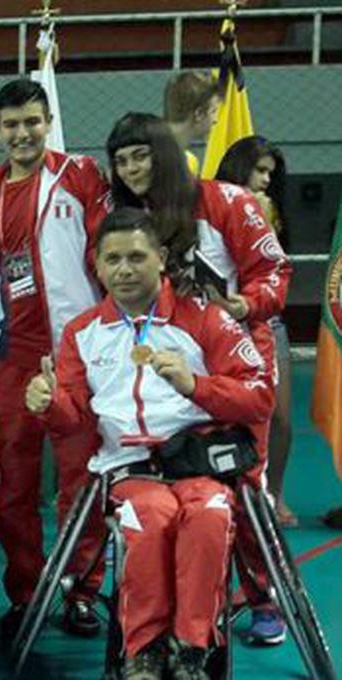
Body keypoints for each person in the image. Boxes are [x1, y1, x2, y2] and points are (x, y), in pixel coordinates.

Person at [25, 208, 273, 680]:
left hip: (202, 464)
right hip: (130, 467)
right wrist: (48, 402)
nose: (124, 269)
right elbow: (73, 416)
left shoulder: (205, 319)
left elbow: (258, 397)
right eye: (112, 259)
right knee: (151, 518)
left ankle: (192, 648)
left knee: (210, 515)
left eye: (136, 257)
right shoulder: (82, 332)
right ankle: (144, 650)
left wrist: (195, 386)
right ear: (95, 266)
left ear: (160, 258)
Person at [107, 113, 292, 646]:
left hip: (234, 358)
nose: (131, 168)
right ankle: (169, 604)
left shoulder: (226, 201)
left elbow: (274, 271)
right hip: (160, 367)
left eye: (141, 154)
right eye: (121, 160)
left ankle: (263, 597)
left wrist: (242, 303)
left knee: (244, 482)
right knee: (169, 481)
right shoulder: (126, 217)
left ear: (164, 153)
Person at [0, 78, 108, 635]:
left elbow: (104, 255)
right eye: (12, 125)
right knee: (15, 486)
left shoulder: (81, 177)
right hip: (11, 360)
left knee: (79, 477)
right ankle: (25, 592)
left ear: (47, 122)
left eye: (32, 122)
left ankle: (82, 589)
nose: (22, 133)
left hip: (78, 354)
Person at [216, 136, 295, 527]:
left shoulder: (269, 208)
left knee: (280, 419)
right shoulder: (213, 204)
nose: (265, 179)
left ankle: (272, 494)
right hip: (221, 325)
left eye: (270, 174)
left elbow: (274, 266)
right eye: (260, 170)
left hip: (265, 321)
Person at [163, 70, 223, 176]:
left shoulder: (186, 160)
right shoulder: (186, 164)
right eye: (213, 111)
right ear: (199, 114)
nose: (215, 120)